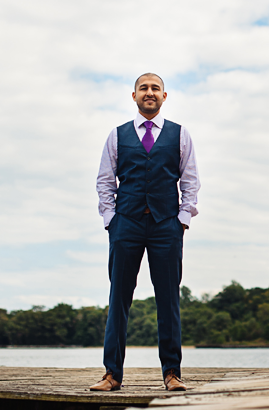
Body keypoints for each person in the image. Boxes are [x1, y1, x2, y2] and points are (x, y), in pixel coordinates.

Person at [90, 73, 200, 392]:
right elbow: (105, 180)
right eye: (143, 88)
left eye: (155, 88)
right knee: (119, 299)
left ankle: (172, 374)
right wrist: (111, 219)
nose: (149, 93)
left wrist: (182, 219)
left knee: (168, 301)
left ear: (164, 96)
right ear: (134, 95)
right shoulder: (117, 135)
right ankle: (112, 375)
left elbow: (190, 181)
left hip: (167, 225)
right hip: (126, 224)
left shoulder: (180, 135)